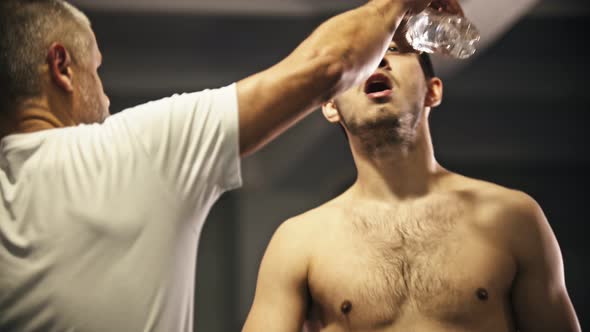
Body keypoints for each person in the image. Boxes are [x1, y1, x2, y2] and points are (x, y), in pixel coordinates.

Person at [0, 0, 441, 331]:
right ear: (62, 67)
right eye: (96, 70)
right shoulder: (129, 149)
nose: (107, 95)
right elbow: (332, 63)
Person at [242, 34, 582, 332]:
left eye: (395, 49)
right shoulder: (299, 240)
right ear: (330, 106)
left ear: (432, 90)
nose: (378, 59)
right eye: (360, 59)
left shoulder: (511, 217)